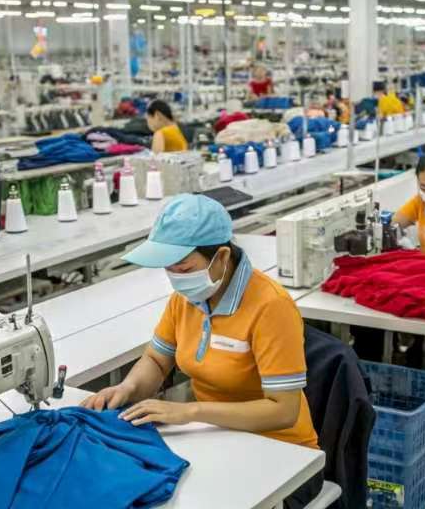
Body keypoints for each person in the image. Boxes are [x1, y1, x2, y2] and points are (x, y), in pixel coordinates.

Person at [81, 194, 322, 508]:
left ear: (221, 256)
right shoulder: (186, 299)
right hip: (216, 439)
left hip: (285, 457)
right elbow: (157, 359)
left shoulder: (270, 306)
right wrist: (127, 388)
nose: (176, 278)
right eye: (170, 269)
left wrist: (189, 411)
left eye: (183, 267)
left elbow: (283, 410)